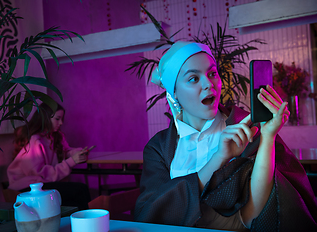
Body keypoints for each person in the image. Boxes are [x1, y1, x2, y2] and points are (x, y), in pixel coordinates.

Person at [134, 41, 317, 231]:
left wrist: (268, 137)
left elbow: (257, 215)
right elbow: (149, 212)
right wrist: (219, 157)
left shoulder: (246, 127)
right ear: (175, 93)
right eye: (193, 79)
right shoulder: (159, 148)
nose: (208, 84)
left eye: (212, 74)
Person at [7, 102, 91, 209]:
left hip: (43, 182)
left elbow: (65, 150)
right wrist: (71, 161)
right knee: (79, 190)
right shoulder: (34, 140)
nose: (61, 123)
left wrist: (75, 153)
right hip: (29, 186)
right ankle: (85, 222)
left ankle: (78, 222)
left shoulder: (55, 136)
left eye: (62, 119)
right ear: (45, 118)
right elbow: (40, 173)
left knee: (77, 192)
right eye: (57, 119)